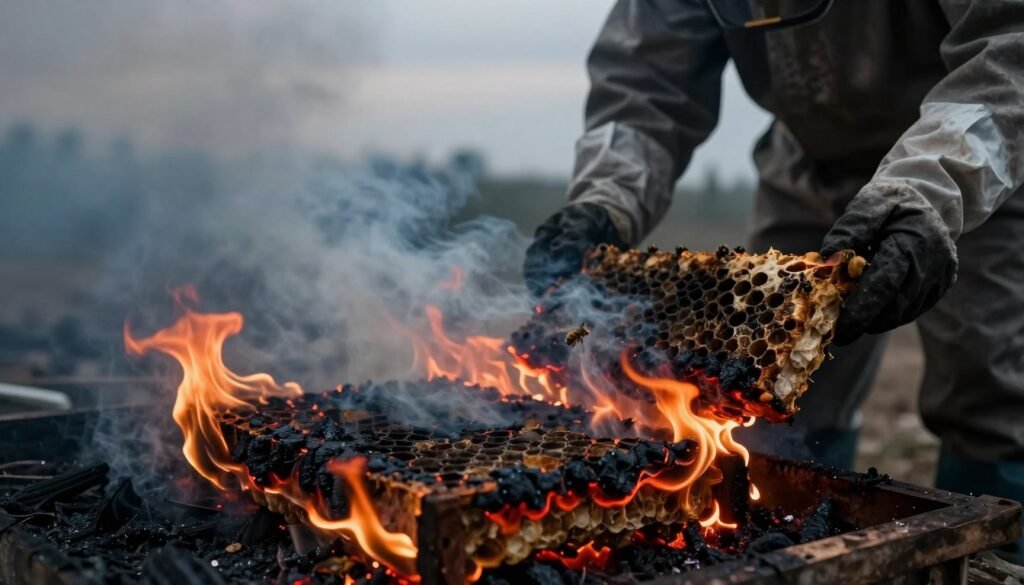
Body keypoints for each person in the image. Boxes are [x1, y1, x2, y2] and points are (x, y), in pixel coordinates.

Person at [523, 0, 1024, 554]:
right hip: (808, 162)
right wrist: (604, 198)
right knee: (769, 389)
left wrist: (928, 190)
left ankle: (994, 561)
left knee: (992, 389)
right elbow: (644, 76)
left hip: (976, 148)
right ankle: (794, 553)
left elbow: (1010, 45)